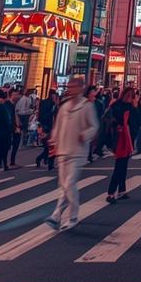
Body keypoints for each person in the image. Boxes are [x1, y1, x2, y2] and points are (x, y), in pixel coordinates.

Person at [48, 77, 98, 230]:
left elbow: (94, 126)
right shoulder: (64, 107)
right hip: (63, 150)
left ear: (81, 88)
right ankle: (57, 215)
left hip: (78, 151)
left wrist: (85, 134)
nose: (70, 89)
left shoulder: (87, 106)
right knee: (64, 185)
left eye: (73, 86)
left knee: (69, 183)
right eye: (69, 86)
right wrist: (53, 141)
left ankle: (72, 216)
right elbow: (58, 126)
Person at [106, 93, 134, 202]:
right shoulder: (119, 108)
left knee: (123, 166)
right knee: (119, 166)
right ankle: (111, 192)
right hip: (120, 139)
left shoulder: (127, 107)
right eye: (132, 96)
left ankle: (122, 190)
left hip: (125, 139)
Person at [35, 87, 58, 169]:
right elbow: (52, 115)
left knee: (47, 146)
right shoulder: (52, 104)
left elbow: (39, 114)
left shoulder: (43, 102)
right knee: (50, 146)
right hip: (49, 126)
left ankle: (44, 159)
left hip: (43, 125)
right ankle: (42, 159)